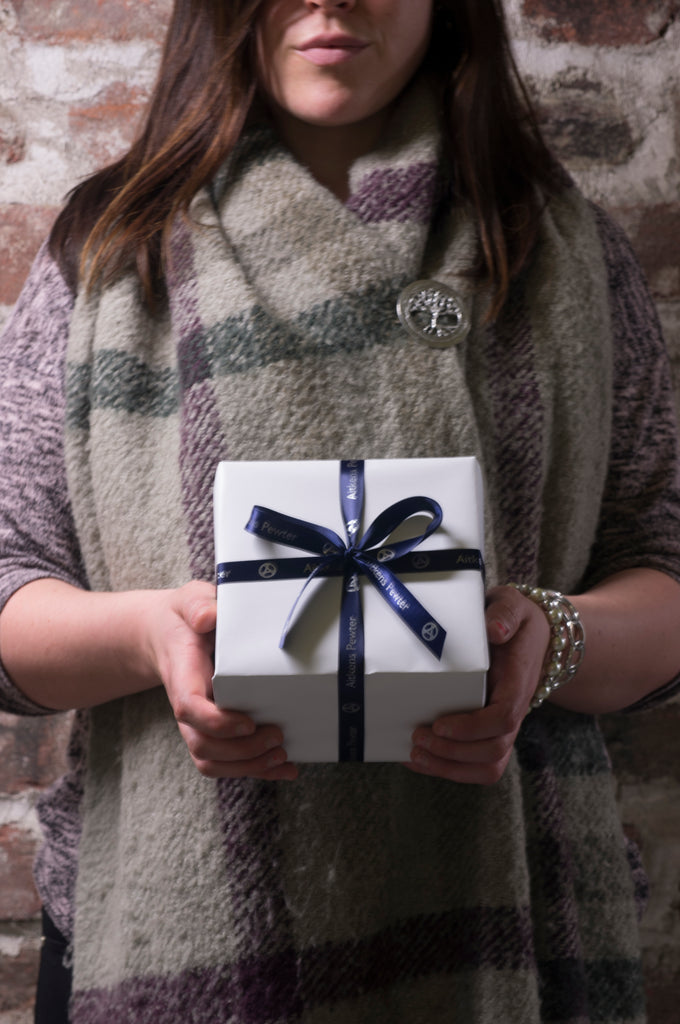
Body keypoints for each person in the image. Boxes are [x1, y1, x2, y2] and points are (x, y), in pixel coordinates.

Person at [1, 1, 679, 1021]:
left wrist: (556, 637)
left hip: (513, 921)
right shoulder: (109, 254)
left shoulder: (556, 250)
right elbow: (10, 580)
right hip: (162, 925)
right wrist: (151, 637)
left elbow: (660, 564)